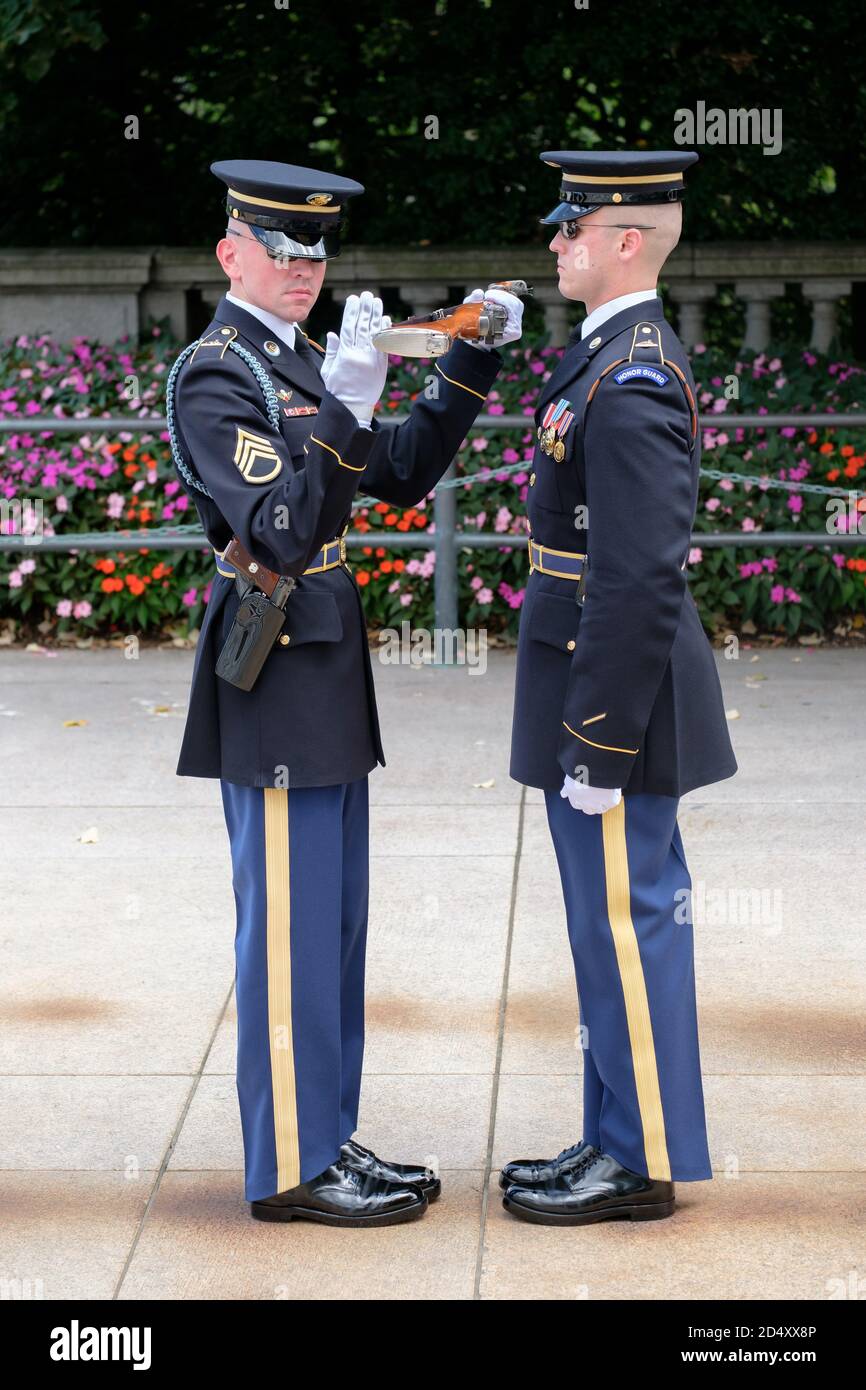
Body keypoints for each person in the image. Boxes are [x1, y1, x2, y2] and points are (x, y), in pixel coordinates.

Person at [167, 159, 523, 1225]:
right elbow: (279, 527)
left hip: (322, 667)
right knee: (285, 928)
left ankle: (326, 1133)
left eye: (316, 251)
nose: (301, 268)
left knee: (332, 926)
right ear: (231, 251)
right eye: (281, 249)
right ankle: (287, 1163)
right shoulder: (215, 373)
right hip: (273, 667)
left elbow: (402, 470)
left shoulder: (309, 358)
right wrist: (345, 404)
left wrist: (461, 363)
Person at [502, 150, 738, 1225]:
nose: (555, 242)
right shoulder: (606, 354)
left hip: (612, 699)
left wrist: (595, 742)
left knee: (627, 924)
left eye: (571, 228)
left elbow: (638, 573)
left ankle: (636, 1158)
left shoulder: (631, 373)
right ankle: (608, 1133)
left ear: (625, 242)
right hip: (588, 677)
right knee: (603, 929)